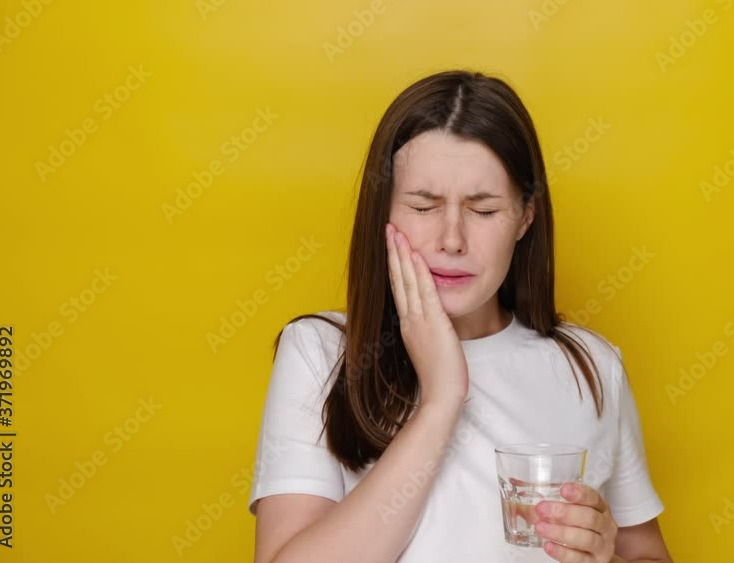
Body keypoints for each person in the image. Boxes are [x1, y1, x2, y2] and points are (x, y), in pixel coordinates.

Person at [248, 69, 674, 563]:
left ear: (525, 216)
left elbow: (647, 555)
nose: (451, 240)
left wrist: (605, 557)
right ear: (383, 211)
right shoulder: (321, 353)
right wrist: (442, 399)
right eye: (423, 207)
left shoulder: (591, 367)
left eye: (484, 210)